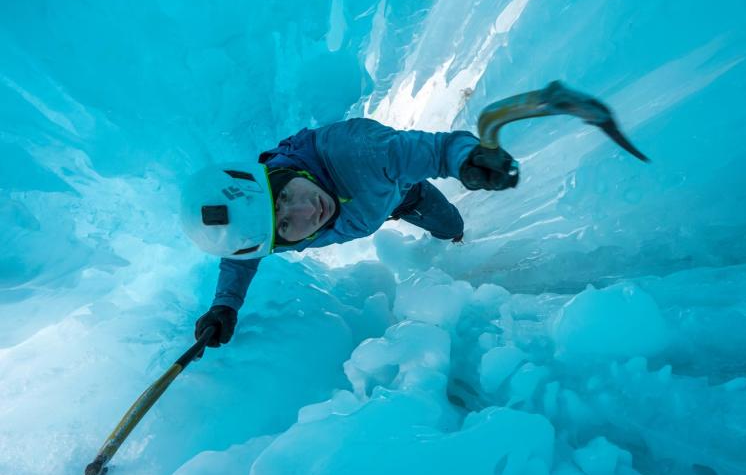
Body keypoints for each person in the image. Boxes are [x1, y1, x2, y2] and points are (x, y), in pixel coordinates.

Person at [180, 117, 519, 350]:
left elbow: (424, 150)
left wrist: (465, 158)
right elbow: (241, 259)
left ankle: (457, 243)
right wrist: (225, 305)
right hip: (371, 207)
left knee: (451, 227)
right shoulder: (264, 229)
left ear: (271, 173)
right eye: (284, 224)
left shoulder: (356, 151)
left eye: (284, 196)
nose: (307, 211)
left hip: (404, 196)